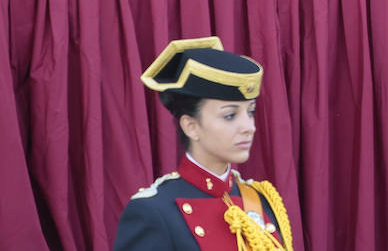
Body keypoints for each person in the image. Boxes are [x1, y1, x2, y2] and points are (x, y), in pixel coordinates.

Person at [114, 36, 295, 250]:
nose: (249, 127)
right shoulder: (153, 211)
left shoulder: (261, 200)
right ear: (191, 126)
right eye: (230, 115)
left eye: (251, 112)